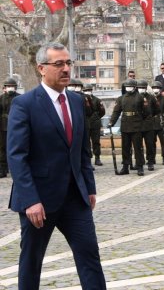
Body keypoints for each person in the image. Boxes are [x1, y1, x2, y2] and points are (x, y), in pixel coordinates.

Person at [7, 42, 106, 288]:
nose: (66, 69)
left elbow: (82, 150)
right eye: (58, 64)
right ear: (42, 68)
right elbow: (17, 156)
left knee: (90, 257)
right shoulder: (25, 104)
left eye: (68, 63)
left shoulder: (75, 101)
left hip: (75, 198)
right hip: (39, 200)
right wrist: (30, 200)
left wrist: (89, 187)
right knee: (32, 261)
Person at [108, 78, 147, 176]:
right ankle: (125, 166)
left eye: (130, 86)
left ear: (134, 87)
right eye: (127, 86)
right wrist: (111, 122)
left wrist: (140, 120)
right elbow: (116, 112)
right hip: (125, 124)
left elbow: (146, 112)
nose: (128, 88)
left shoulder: (140, 97)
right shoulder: (121, 98)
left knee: (138, 147)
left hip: (136, 125)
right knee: (125, 147)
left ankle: (140, 166)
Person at [137, 80, 159, 171]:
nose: (141, 89)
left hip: (148, 124)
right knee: (138, 145)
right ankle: (140, 162)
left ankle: (150, 162)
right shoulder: (135, 97)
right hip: (137, 124)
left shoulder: (151, 98)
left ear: (146, 88)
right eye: (140, 87)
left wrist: (150, 116)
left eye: (143, 87)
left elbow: (157, 110)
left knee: (150, 144)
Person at [0, 77, 20, 178]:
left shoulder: (20, 98)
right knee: (2, 148)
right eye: (8, 86)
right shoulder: (1, 98)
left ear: (15, 87)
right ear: (5, 87)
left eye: (12, 86)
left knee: (17, 148)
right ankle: (3, 170)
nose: (10, 88)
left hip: (17, 126)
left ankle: (16, 169)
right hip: (3, 127)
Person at [83, 83, 105, 166]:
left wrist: (96, 117)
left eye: (89, 90)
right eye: (85, 90)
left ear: (92, 91)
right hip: (86, 123)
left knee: (96, 141)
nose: (87, 92)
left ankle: (97, 158)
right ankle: (88, 159)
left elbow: (102, 112)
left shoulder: (97, 100)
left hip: (95, 123)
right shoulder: (82, 99)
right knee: (86, 143)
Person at [151, 81, 164, 165]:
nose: (156, 89)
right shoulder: (150, 98)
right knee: (151, 142)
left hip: (161, 122)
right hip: (151, 123)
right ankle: (152, 158)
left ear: (160, 89)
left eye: (157, 88)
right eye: (154, 88)